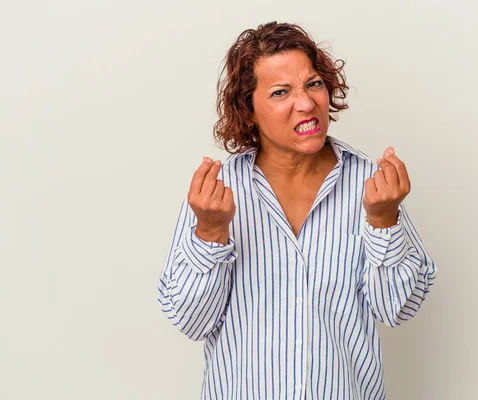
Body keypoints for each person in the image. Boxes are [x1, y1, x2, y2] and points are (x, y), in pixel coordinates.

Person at [158, 21, 437, 400]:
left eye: (314, 84)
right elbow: (191, 322)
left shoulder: (371, 186)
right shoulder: (218, 194)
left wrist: (384, 222)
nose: (306, 103)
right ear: (249, 110)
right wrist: (209, 232)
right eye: (280, 92)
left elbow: (397, 311)